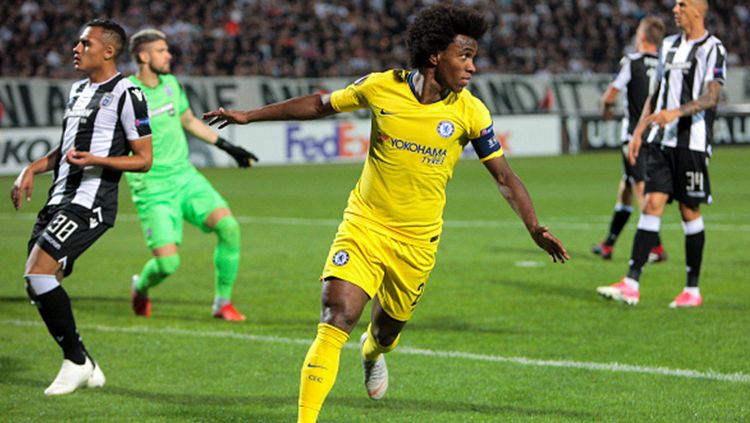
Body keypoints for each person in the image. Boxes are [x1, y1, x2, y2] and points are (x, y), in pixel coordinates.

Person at [204, 4, 569, 421]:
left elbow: (504, 175)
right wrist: (249, 116)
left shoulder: (471, 111)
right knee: (336, 315)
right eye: (465, 56)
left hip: (417, 241)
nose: (472, 66)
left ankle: (372, 352)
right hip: (365, 224)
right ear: (436, 56)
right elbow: (321, 105)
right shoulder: (381, 87)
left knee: (386, 332)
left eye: (473, 57)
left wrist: (533, 226)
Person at [10, 19, 152, 395]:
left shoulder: (128, 94)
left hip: (90, 202)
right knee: (39, 284)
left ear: (108, 51)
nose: (76, 48)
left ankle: (74, 361)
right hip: (58, 199)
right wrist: (32, 168)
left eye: (85, 43)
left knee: (38, 272)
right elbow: (67, 149)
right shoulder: (77, 90)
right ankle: (86, 363)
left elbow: (144, 159)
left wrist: (97, 160)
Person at [597, 0, 726, 308]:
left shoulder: (713, 48)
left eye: (682, 4)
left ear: (697, 10)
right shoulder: (668, 46)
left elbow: (711, 96)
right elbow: (654, 94)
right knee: (651, 204)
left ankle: (692, 290)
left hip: (692, 143)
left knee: (688, 211)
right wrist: (639, 132)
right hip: (660, 141)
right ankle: (631, 283)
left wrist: (675, 113)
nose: (675, 9)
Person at [126, 29, 257, 321]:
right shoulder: (127, 93)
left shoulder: (171, 84)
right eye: (161, 50)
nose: (168, 55)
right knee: (168, 265)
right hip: (151, 186)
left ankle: (222, 303)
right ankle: (141, 286)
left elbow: (187, 120)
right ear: (143, 56)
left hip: (185, 177)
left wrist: (228, 147)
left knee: (229, 228)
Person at [592, 16, 668, 262]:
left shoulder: (632, 62)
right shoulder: (665, 64)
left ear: (642, 37)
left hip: (634, 136)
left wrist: (605, 109)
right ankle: (608, 244)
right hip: (657, 135)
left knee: (640, 189)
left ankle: (656, 247)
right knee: (626, 187)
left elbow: (610, 95)